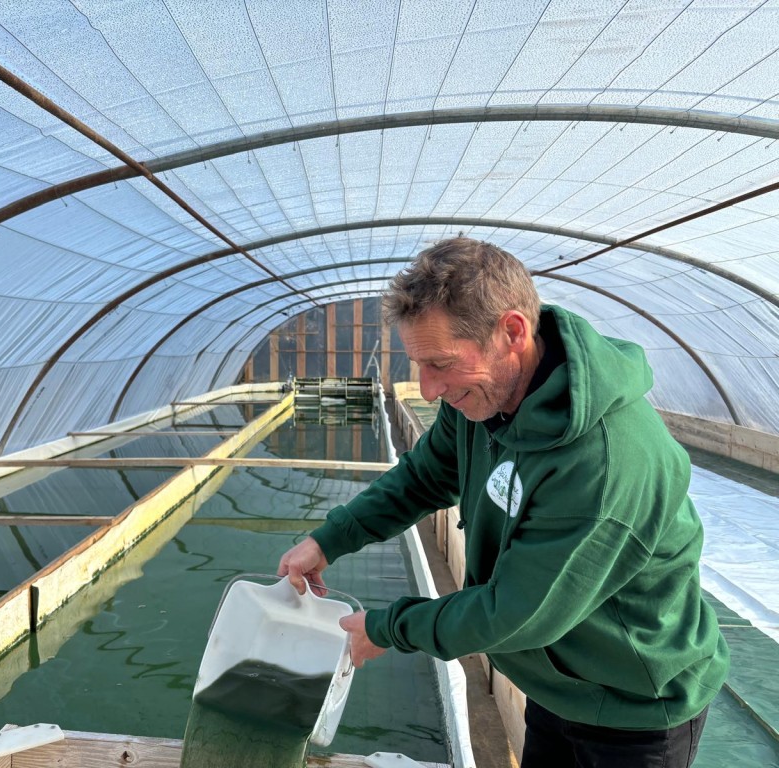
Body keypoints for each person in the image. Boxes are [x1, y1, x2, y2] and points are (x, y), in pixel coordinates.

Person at [277, 237, 728, 768]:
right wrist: (328, 540)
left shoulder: (603, 461)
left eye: (441, 363)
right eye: (419, 363)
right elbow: (423, 478)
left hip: (634, 704)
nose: (428, 389)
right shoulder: (484, 398)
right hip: (555, 683)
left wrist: (388, 628)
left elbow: (515, 611)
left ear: (512, 332)